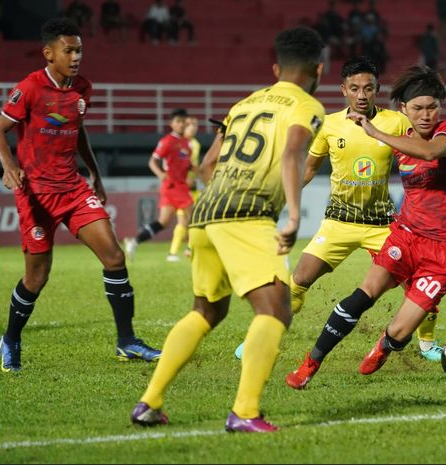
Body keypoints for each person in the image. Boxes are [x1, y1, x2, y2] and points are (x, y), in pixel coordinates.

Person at [129, 26, 326, 432]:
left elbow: (206, 166)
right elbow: (291, 153)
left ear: (276, 67)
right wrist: (292, 216)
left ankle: (149, 403)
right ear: (319, 69)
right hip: (247, 213)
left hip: (206, 211)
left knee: (207, 310)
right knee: (275, 310)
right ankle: (245, 412)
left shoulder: (244, 103)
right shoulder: (307, 106)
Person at [234, 55, 442, 367]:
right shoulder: (328, 125)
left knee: (421, 286)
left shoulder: (395, 122)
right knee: (299, 279)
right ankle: (261, 339)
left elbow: (424, 150)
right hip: (339, 222)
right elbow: (307, 170)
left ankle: (427, 343)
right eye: (355, 88)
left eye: (368, 88)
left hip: (383, 225)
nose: (362, 95)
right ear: (343, 90)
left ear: (377, 90)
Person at [285, 65, 446, 388]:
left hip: (445, 252)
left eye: (432, 107)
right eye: (417, 108)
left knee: (400, 331)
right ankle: (309, 365)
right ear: (403, 110)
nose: (426, 115)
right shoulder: (398, 138)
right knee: (363, 295)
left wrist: (374, 131)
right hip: (406, 237)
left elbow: (431, 152)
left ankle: (386, 343)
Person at [0, 18, 161, 372]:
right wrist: (8, 167)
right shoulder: (29, 88)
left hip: (73, 188)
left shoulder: (82, 88)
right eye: (68, 50)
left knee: (114, 256)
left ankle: (127, 342)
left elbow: (77, 131)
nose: (75, 57)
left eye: (79, 50)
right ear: (48, 53)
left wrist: (95, 174)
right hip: (35, 195)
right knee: (36, 279)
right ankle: (10, 338)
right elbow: (0, 128)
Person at [124, 108, 195, 262]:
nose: (181, 125)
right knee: (193, 216)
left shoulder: (186, 144)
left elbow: (184, 164)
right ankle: (193, 249)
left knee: (164, 222)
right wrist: (160, 174)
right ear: (172, 124)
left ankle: (134, 242)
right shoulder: (167, 141)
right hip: (173, 186)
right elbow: (152, 161)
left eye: (183, 121)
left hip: (178, 186)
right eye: (178, 121)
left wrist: (192, 170)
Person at [183, 115, 202, 256]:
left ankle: (190, 247)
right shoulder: (179, 143)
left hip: (190, 185)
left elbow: (193, 165)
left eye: (196, 126)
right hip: (179, 186)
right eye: (191, 125)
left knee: (193, 216)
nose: (194, 128)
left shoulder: (195, 144)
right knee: (185, 219)